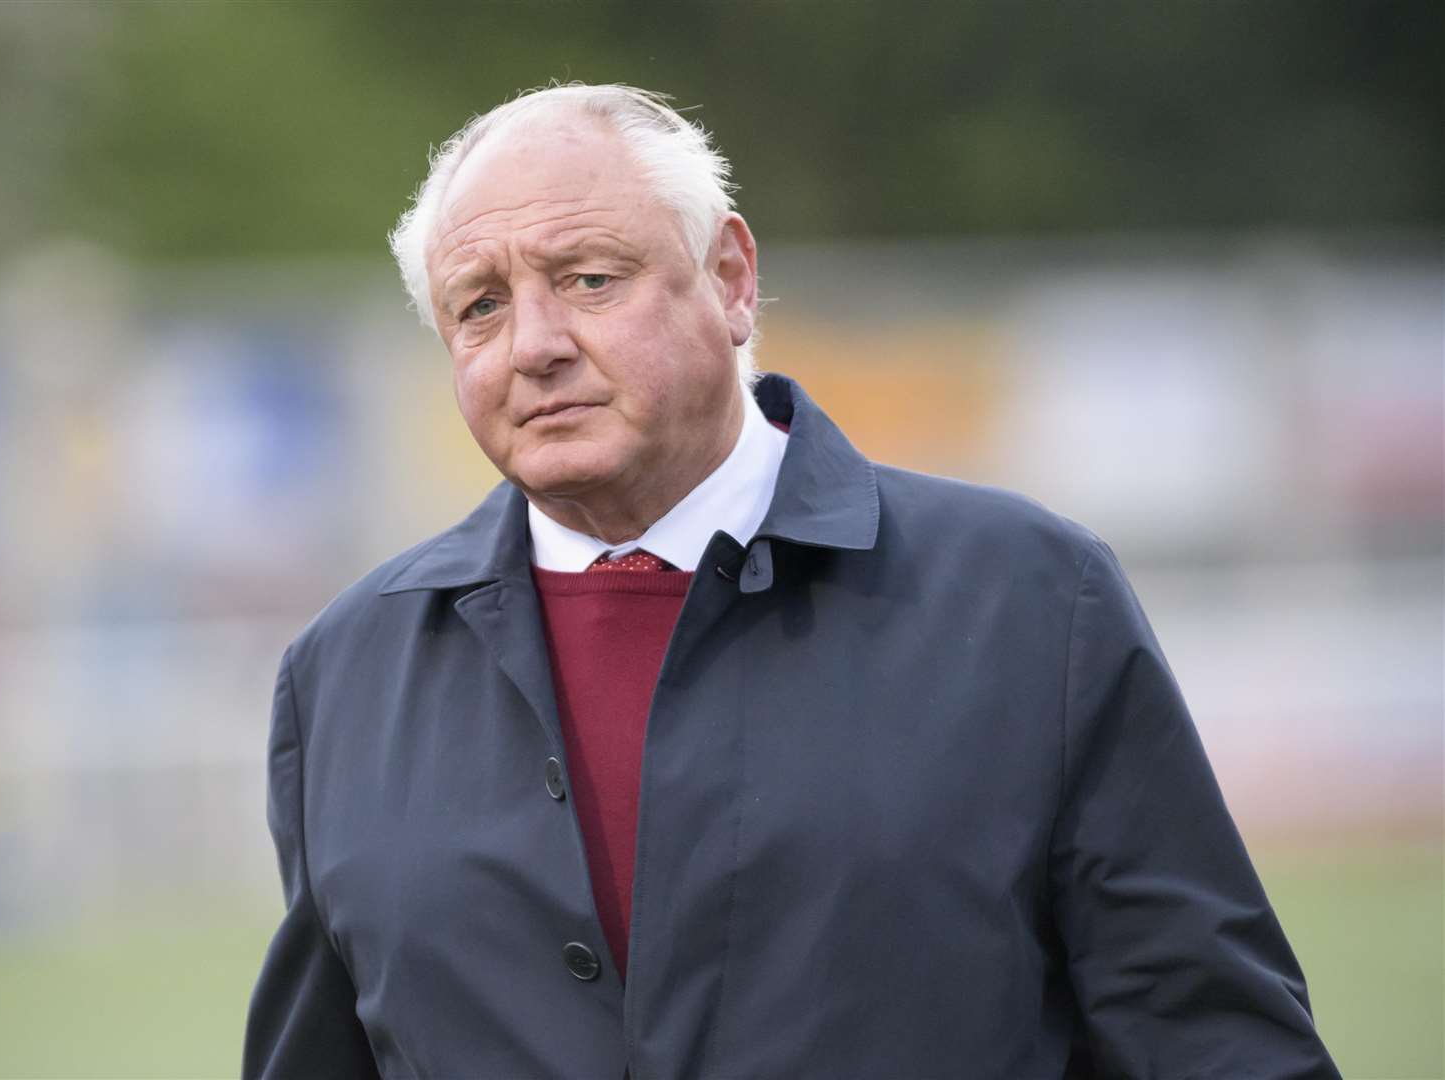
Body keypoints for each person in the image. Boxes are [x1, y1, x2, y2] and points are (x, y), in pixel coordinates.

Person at [243, 83, 1339, 1079]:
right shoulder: (345, 675)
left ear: (729, 278)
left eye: (588, 279)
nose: (533, 344)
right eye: (478, 305)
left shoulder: (1030, 600)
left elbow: (1211, 1040)